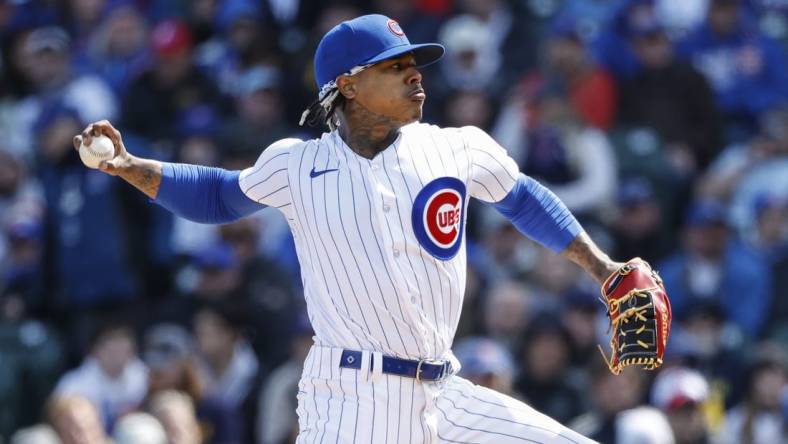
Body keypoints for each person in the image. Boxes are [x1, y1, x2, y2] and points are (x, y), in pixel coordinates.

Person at [74, 14, 654, 443]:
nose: (415, 77)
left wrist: (604, 270)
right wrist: (128, 167)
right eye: (395, 67)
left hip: (446, 393)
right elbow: (217, 195)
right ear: (347, 85)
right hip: (353, 399)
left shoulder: (454, 148)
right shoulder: (298, 165)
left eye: (413, 65)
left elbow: (523, 198)